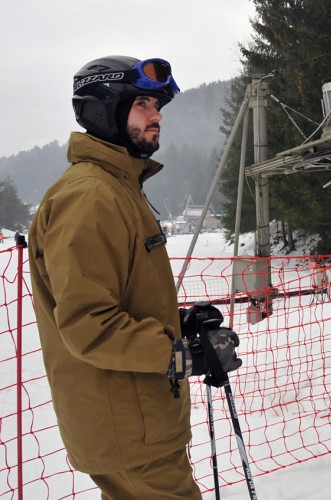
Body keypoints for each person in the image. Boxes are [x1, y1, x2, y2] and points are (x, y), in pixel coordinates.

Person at [28, 55, 242, 499]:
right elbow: (90, 325)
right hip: (128, 424)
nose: (157, 115)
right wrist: (183, 356)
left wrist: (178, 327)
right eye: (143, 103)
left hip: (137, 418)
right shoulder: (90, 196)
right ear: (103, 108)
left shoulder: (116, 187)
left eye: (157, 105)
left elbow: (118, 299)